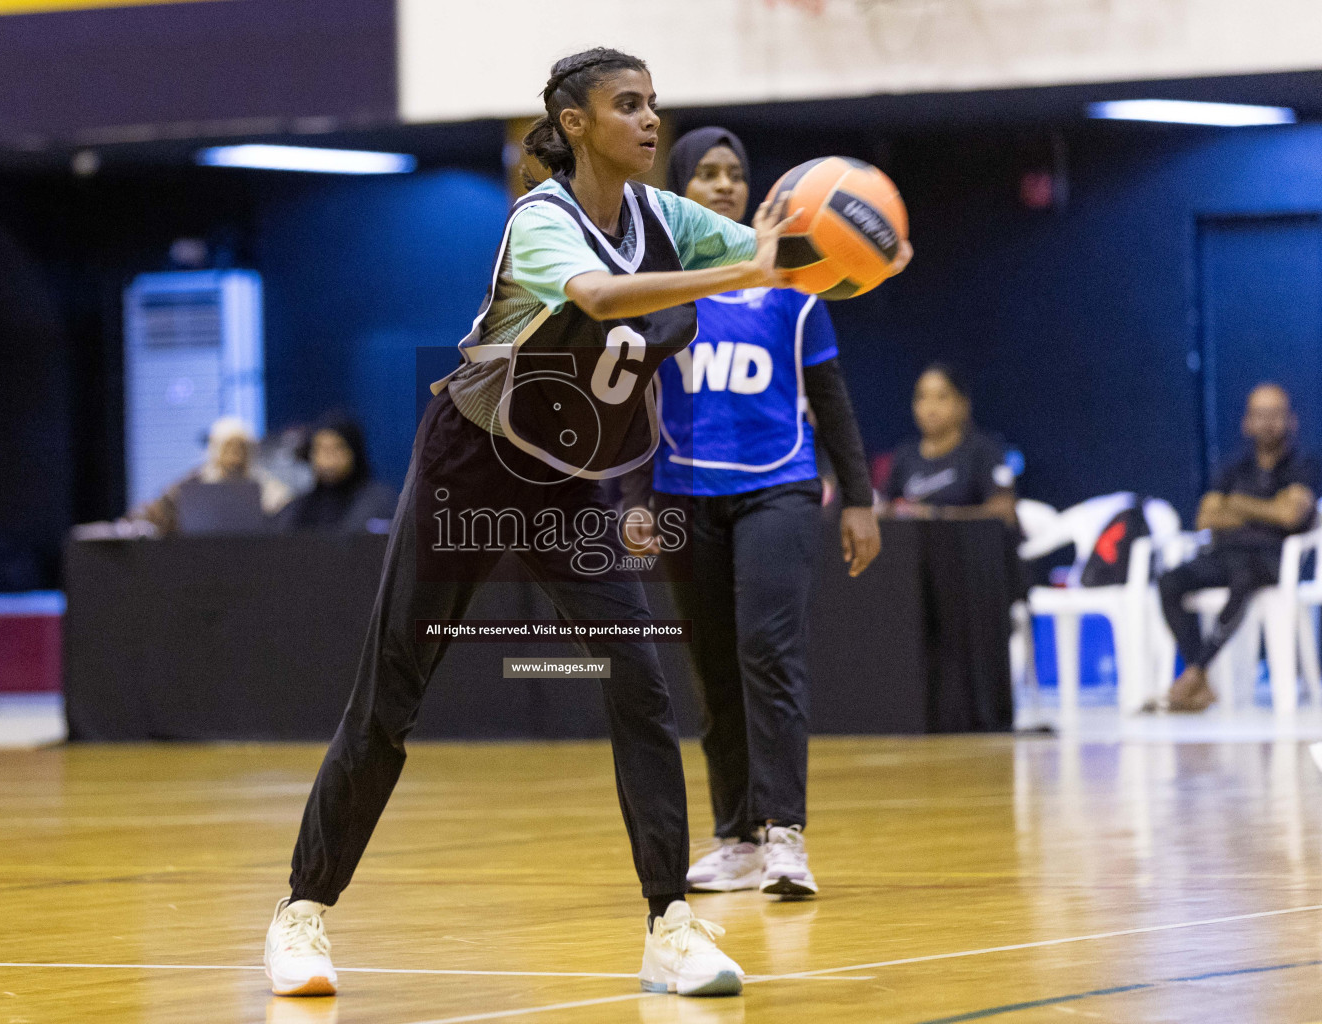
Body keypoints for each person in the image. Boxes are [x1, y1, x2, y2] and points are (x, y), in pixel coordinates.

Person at [263, 48, 904, 1002]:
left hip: (572, 485)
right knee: (393, 691)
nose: (652, 122)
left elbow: (770, 257)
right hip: (471, 465)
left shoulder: (667, 217)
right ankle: (302, 913)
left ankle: (668, 926)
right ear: (575, 125)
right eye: (629, 106)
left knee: (641, 688)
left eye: (656, 106)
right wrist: (743, 268)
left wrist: (851, 248)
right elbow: (602, 299)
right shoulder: (539, 221)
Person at [622, 127, 882, 900]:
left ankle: (785, 837)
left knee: (768, 652)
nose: (726, 185)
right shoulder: (660, 292)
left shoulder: (797, 291)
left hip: (780, 488)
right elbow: (632, 408)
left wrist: (859, 499)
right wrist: (633, 501)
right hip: (681, 493)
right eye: (707, 174)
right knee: (712, 670)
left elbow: (831, 403)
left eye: (735, 173)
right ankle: (734, 837)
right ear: (681, 192)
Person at [1156, 384, 1320, 713]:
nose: (1268, 422)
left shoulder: (1304, 465)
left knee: (1243, 576)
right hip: (1226, 556)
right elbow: (1205, 516)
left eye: (1276, 414)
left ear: (1291, 420)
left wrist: (1238, 504)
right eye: (1260, 414)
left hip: (1274, 561)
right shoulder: (1233, 468)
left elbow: (1291, 515)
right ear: (1247, 422)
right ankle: (1196, 671)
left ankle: (1195, 675)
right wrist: (1268, 508)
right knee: (1169, 580)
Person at [884, 364, 1017, 523]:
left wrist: (937, 515)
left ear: (963, 403)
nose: (930, 408)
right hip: (914, 545)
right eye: (922, 397)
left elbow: (1004, 511)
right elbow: (885, 507)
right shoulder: (905, 454)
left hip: (969, 545)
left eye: (941, 397)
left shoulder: (984, 450)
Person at [129, 417, 292, 536]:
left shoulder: (266, 487)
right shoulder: (193, 484)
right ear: (216, 450)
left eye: (240, 448)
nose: (235, 456)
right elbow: (155, 511)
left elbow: (286, 511)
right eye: (229, 448)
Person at [283, 414, 398, 534]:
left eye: (337, 448)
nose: (327, 459)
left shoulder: (380, 503)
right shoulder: (298, 509)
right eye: (320, 449)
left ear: (354, 451)